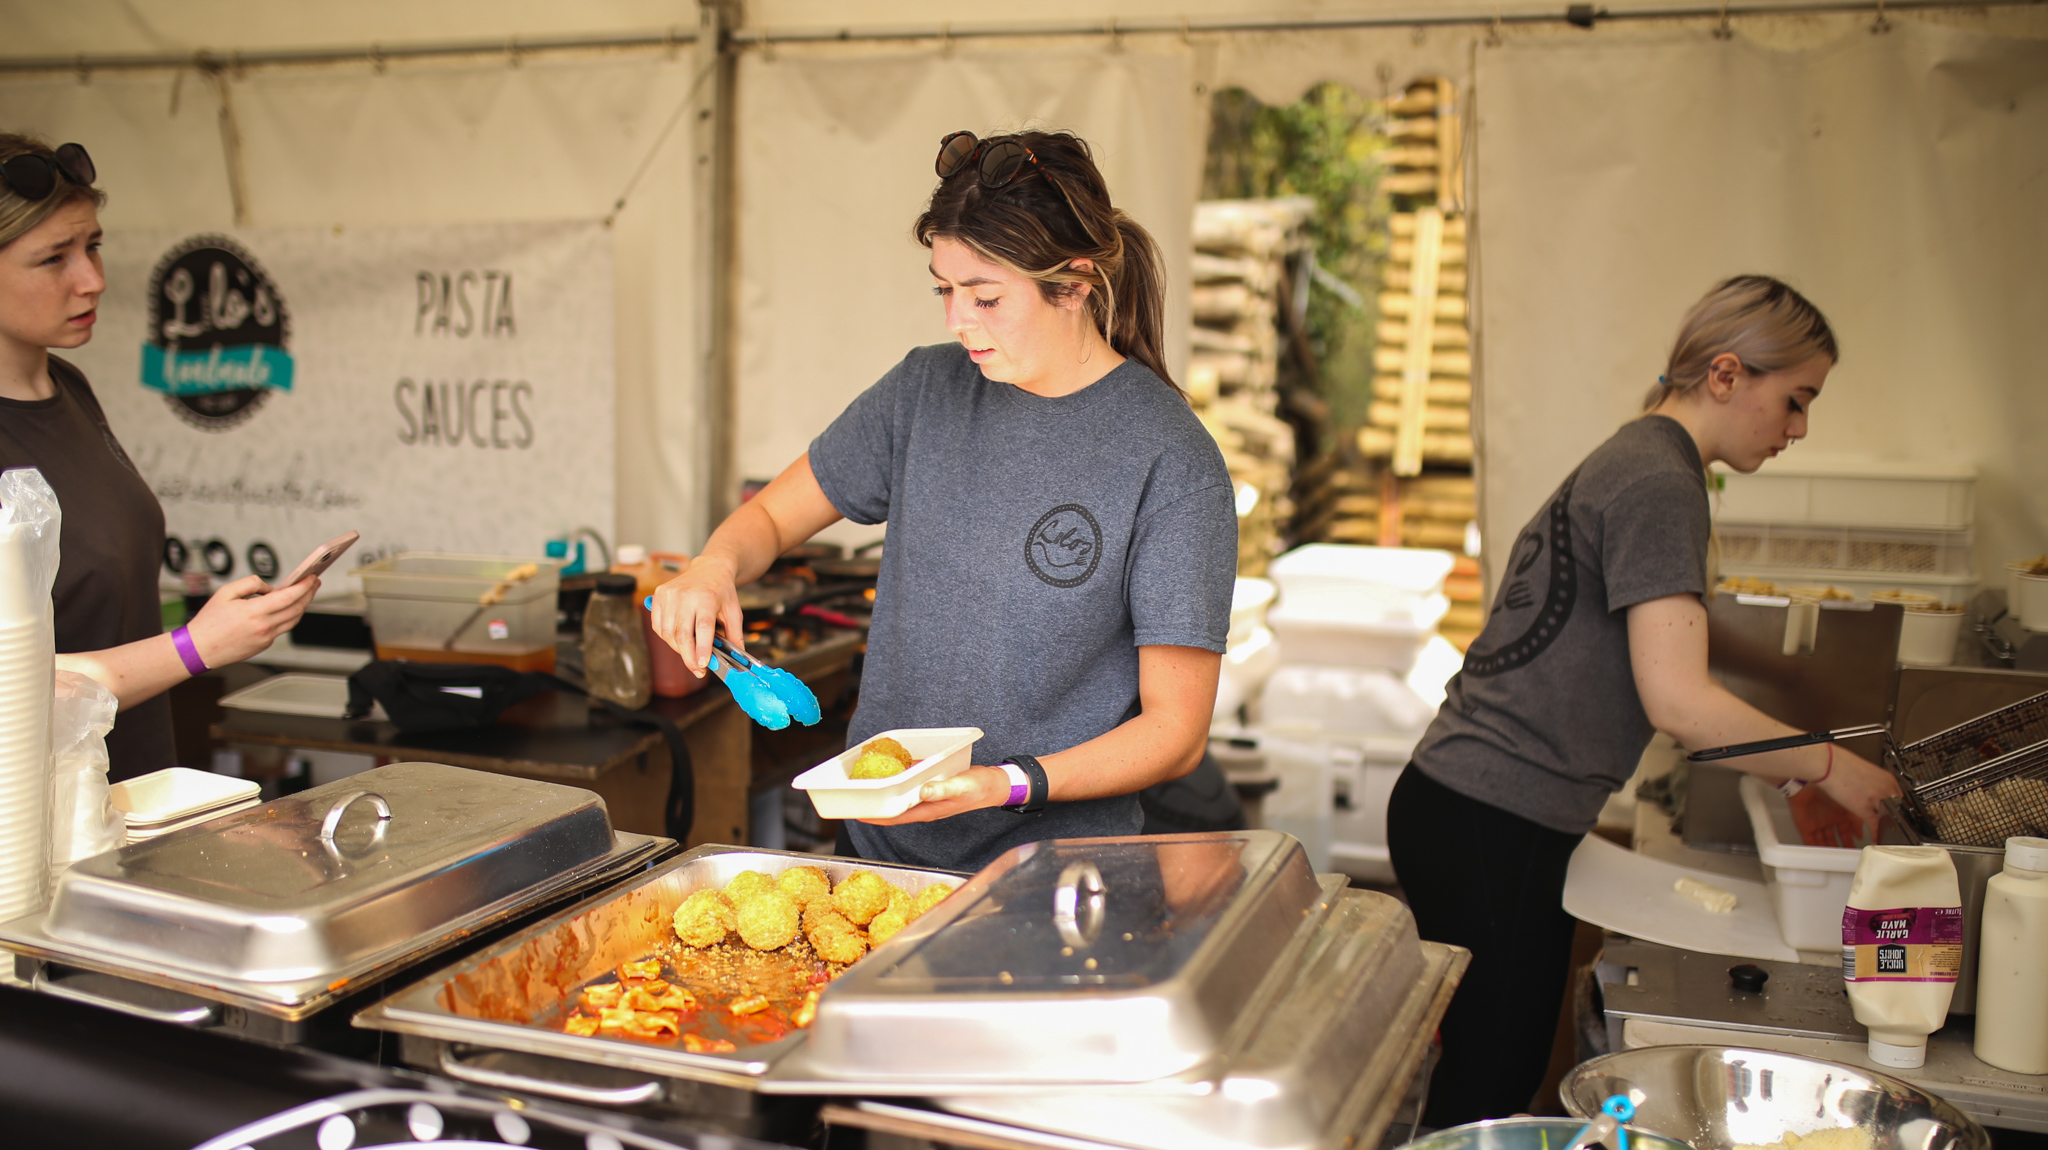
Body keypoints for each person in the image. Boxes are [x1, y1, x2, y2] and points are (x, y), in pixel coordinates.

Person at [1387, 275, 1904, 1127]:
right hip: (1490, 815)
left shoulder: (1641, 458)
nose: (1800, 428)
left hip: (1471, 808)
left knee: (1487, 1067)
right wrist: (1828, 765)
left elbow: (1635, 612)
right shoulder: (1661, 482)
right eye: (1797, 400)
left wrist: (1775, 672)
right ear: (1728, 375)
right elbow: (1681, 703)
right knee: (1490, 1080)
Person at [652, 130, 1237, 872]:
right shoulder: (924, 391)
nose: (958, 321)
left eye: (986, 296)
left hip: (1051, 877)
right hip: (877, 856)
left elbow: (1175, 733)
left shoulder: (1169, 458)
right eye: (944, 289)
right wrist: (714, 565)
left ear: (1077, 280)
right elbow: (769, 516)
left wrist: (1002, 784)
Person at [0, 133, 317, 780]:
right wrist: (195, 647)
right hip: (32, 828)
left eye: (92, 246)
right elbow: (11, 688)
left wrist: (212, 631)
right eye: (53, 258)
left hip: (129, 794)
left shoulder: (71, 390)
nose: (93, 279)